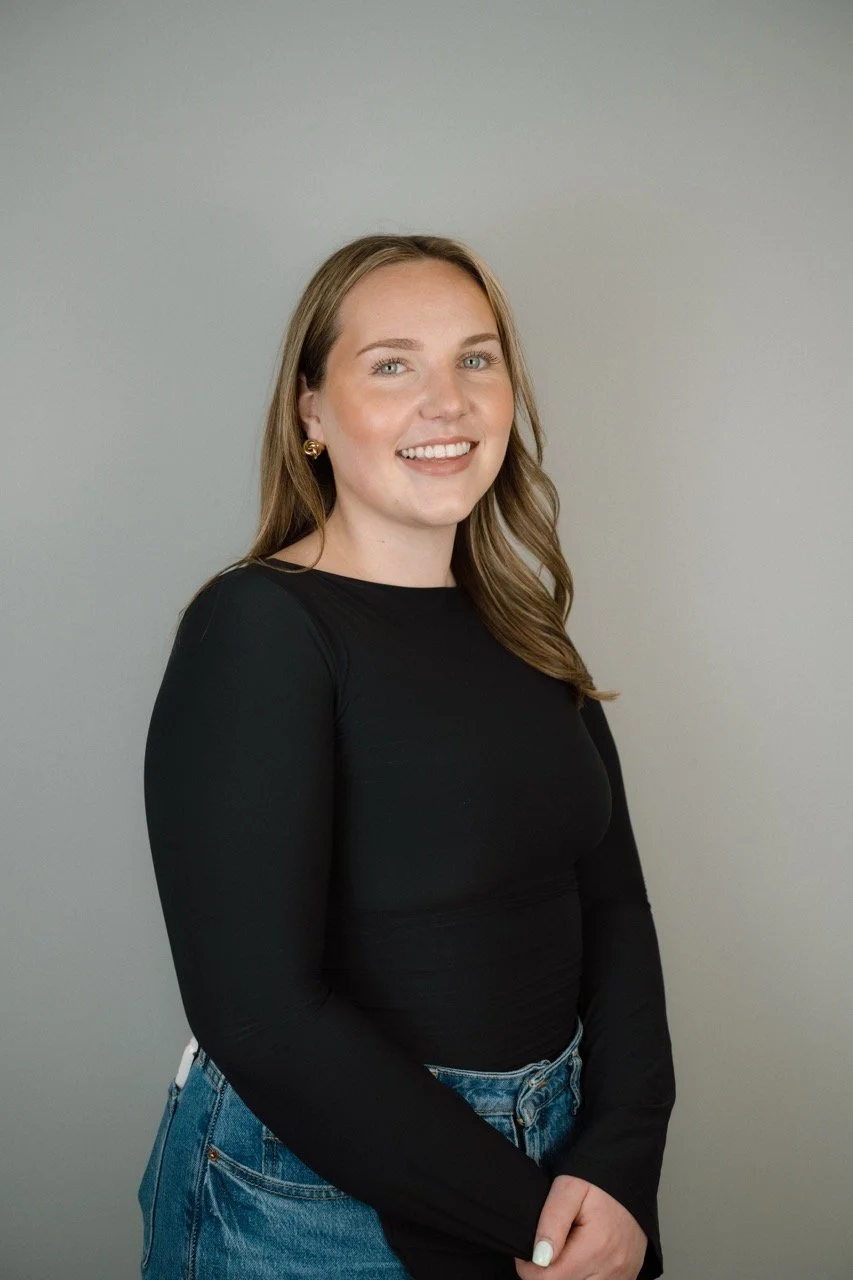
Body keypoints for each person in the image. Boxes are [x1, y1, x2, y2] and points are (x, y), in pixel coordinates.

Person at [137, 233, 676, 1280]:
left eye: (476, 359)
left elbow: (615, 906)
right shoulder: (257, 627)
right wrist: (534, 1217)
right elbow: (257, 1008)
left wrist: (621, 1162)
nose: (450, 401)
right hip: (313, 1196)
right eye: (393, 364)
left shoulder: (523, 628)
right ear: (310, 413)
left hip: (565, 1159)